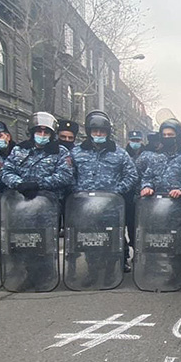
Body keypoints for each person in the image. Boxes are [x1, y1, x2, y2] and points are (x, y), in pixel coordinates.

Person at [70, 110, 138, 275]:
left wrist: (116, 192)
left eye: (102, 131)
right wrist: (77, 191)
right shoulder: (76, 153)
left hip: (110, 208)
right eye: (95, 131)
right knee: (90, 240)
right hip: (86, 207)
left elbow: (132, 175)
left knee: (113, 238)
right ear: (89, 132)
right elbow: (69, 175)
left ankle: (111, 270)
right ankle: (92, 271)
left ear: (108, 133)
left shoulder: (119, 153)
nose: (99, 134)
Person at [1, 112, 75, 199]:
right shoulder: (19, 149)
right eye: (39, 131)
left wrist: (38, 185)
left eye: (46, 132)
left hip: (49, 201)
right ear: (32, 132)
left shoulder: (60, 152)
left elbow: (65, 176)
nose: (42, 135)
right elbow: (6, 171)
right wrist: (19, 184)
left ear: (51, 135)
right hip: (19, 199)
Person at [141, 119, 181, 198]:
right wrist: (147, 187)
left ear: (178, 136)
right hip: (157, 204)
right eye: (164, 135)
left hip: (179, 204)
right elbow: (147, 177)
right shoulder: (156, 157)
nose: (167, 137)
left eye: (170, 135)